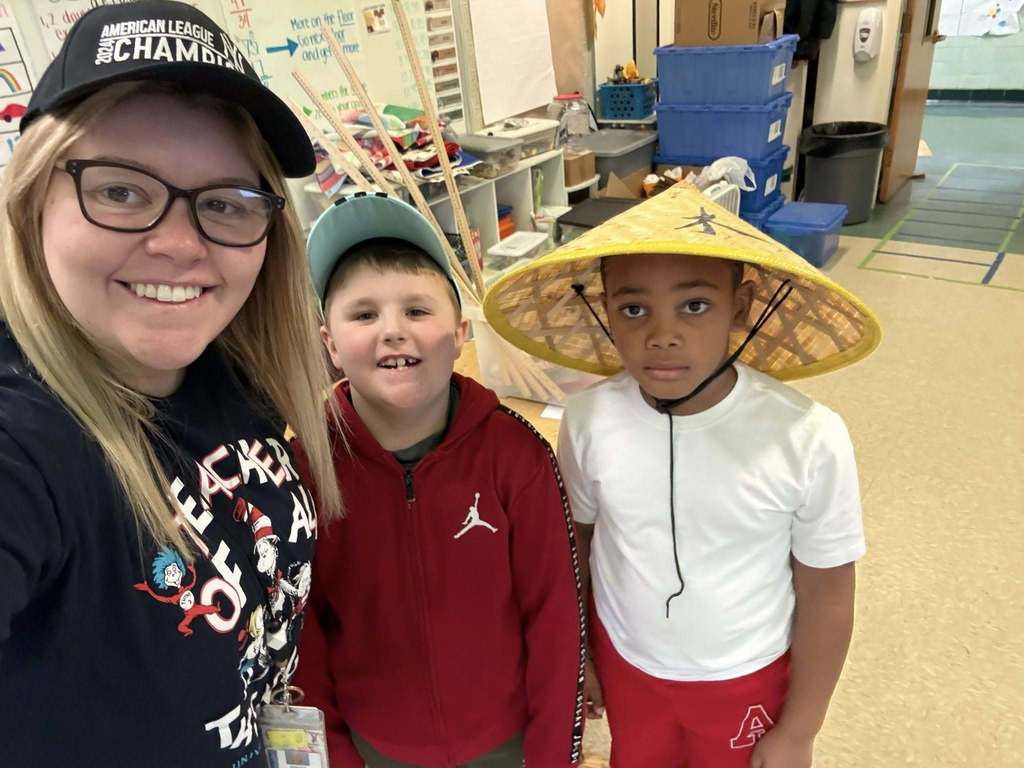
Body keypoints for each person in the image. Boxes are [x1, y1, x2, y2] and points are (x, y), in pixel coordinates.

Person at [0, 2, 341, 765]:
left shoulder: (231, 371)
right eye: (121, 191)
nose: (181, 244)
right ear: (32, 201)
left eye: (224, 203)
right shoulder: (27, 440)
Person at [482, 183, 882, 768]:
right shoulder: (590, 418)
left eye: (694, 306)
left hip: (747, 675)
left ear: (740, 309)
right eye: (633, 309)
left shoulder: (808, 437)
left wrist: (800, 730)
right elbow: (580, 545)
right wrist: (584, 653)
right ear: (606, 309)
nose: (661, 335)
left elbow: (828, 594)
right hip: (628, 666)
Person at [292, 194, 586, 767]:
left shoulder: (516, 455)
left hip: (503, 742)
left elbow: (556, 618)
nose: (393, 331)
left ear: (458, 333)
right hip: (373, 746)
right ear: (329, 343)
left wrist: (554, 756)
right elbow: (303, 632)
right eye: (364, 314)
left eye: (417, 311)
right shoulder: (306, 470)